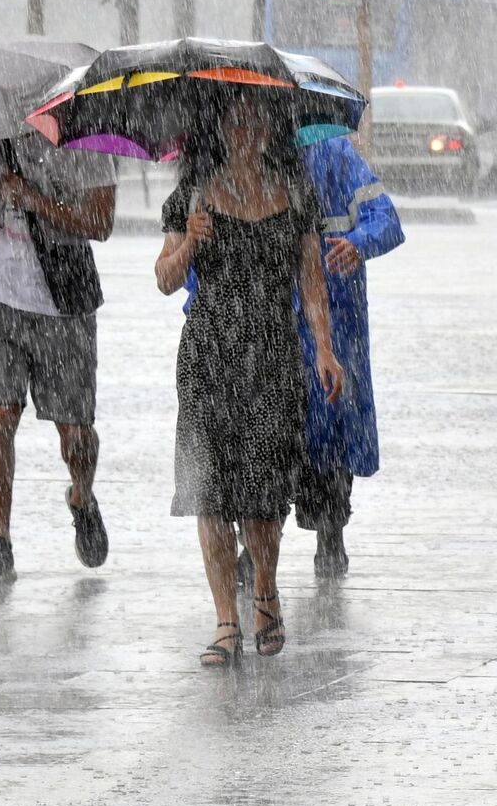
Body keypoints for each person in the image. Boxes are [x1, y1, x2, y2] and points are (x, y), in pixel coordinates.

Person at [156, 94, 343, 667]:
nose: (244, 127)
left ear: (270, 127)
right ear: (216, 124)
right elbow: (165, 280)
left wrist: (325, 350)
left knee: (263, 496)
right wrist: (189, 240)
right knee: (209, 495)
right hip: (209, 356)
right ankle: (225, 620)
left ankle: (265, 592)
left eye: (255, 118)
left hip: (272, 354)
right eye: (233, 117)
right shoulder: (189, 197)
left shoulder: (296, 194)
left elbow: (311, 281)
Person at [223, 136, 403, 582]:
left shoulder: (334, 155)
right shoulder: (239, 159)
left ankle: (330, 533)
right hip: (266, 326)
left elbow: (386, 218)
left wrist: (358, 243)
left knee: (331, 432)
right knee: (266, 436)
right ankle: (259, 546)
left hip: (335, 324)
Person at [0, 133, 116, 585]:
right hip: (0, 298)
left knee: (75, 432)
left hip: (66, 296)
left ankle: (82, 495)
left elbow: (101, 221)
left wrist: (34, 200)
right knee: (0, 413)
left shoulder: (81, 130)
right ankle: (0, 543)